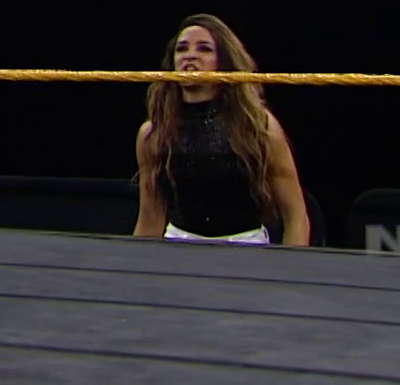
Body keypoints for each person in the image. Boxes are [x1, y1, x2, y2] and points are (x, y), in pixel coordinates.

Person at [131, 14, 312, 247]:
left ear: (224, 62)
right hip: (179, 249)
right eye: (182, 49)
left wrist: (290, 268)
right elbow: (150, 219)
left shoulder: (258, 127)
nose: (190, 55)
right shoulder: (154, 133)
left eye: (204, 49)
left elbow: (296, 216)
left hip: (247, 249)